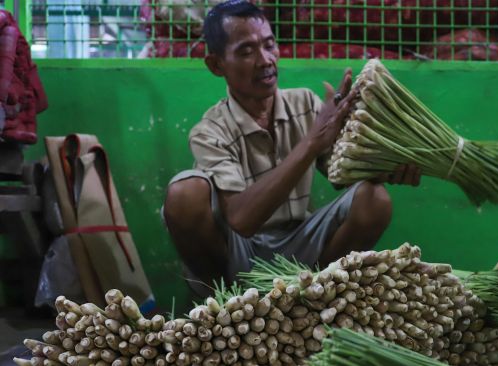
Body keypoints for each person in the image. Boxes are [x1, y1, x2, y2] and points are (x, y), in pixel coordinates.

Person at [162, 0, 421, 295]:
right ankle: (223, 303)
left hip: (300, 243)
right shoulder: (209, 131)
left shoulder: (306, 104)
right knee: (185, 194)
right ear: (216, 64)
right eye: (246, 51)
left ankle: (314, 298)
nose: (265, 60)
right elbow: (241, 221)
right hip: (237, 252)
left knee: (374, 199)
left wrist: (389, 169)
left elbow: (343, 174)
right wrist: (312, 143)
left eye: (269, 45)